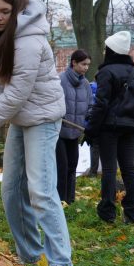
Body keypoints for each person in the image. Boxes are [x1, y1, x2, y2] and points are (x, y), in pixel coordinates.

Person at [0, 0, 78, 266]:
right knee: (11, 191)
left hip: (41, 118)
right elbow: (4, 80)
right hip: (20, 118)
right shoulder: (3, 37)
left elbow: (15, 95)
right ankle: (32, 257)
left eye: (5, 12)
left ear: (18, 11)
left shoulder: (29, 41)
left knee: (41, 191)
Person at [84, 31, 134, 224]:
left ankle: (108, 211)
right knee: (129, 168)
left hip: (109, 127)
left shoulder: (106, 72)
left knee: (109, 169)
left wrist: (91, 129)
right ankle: (132, 210)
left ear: (111, 50)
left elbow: (101, 103)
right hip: (130, 126)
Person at [56, 49, 92, 204]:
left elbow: (90, 106)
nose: (86, 68)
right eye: (83, 64)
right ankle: (59, 200)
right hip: (59, 131)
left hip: (75, 132)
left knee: (72, 166)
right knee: (62, 167)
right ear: (74, 63)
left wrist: (89, 123)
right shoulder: (60, 80)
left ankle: (70, 200)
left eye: (88, 65)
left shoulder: (85, 84)